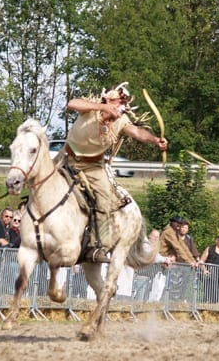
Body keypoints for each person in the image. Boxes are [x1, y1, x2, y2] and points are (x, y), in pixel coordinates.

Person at [62, 82, 168, 262]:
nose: (117, 110)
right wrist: (101, 106)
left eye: (121, 107)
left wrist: (155, 140)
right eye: (116, 104)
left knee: (105, 201)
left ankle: (99, 246)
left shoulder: (120, 121)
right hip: (66, 158)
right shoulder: (90, 107)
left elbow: (137, 132)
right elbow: (72, 104)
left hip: (93, 167)